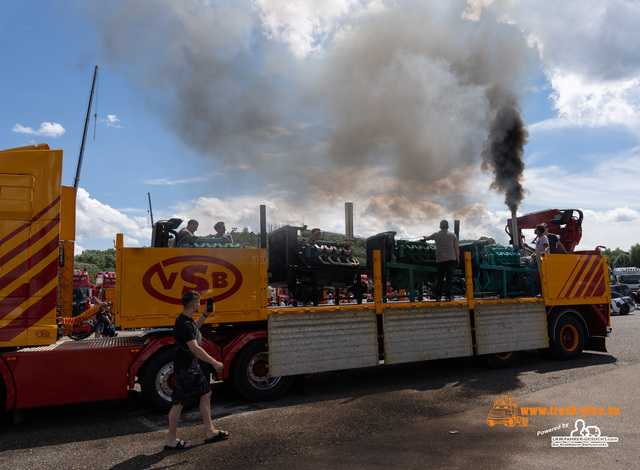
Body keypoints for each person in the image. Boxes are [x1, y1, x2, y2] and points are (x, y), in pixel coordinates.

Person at [165, 290, 227, 451]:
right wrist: (214, 362)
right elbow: (195, 348)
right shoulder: (183, 323)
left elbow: (195, 329)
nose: (200, 305)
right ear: (193, 304)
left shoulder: (187, 320)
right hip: (185, 369)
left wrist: (206, 315)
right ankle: (171, 439)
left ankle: (210, 431)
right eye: (199, 303)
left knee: (206, 393)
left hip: (193, 367)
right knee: (178, 403)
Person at [423, 220, 460, 301]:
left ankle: (438, 296)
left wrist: (424, 237)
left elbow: (427, 238)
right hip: (451, 259)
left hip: (440, 260)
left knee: (440, 278)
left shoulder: (436, 235)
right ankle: (448, 296)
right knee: (449, 279)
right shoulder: (452, 235)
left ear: (440, 227)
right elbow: (456, 248)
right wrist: (457, 259)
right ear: (448, 227)